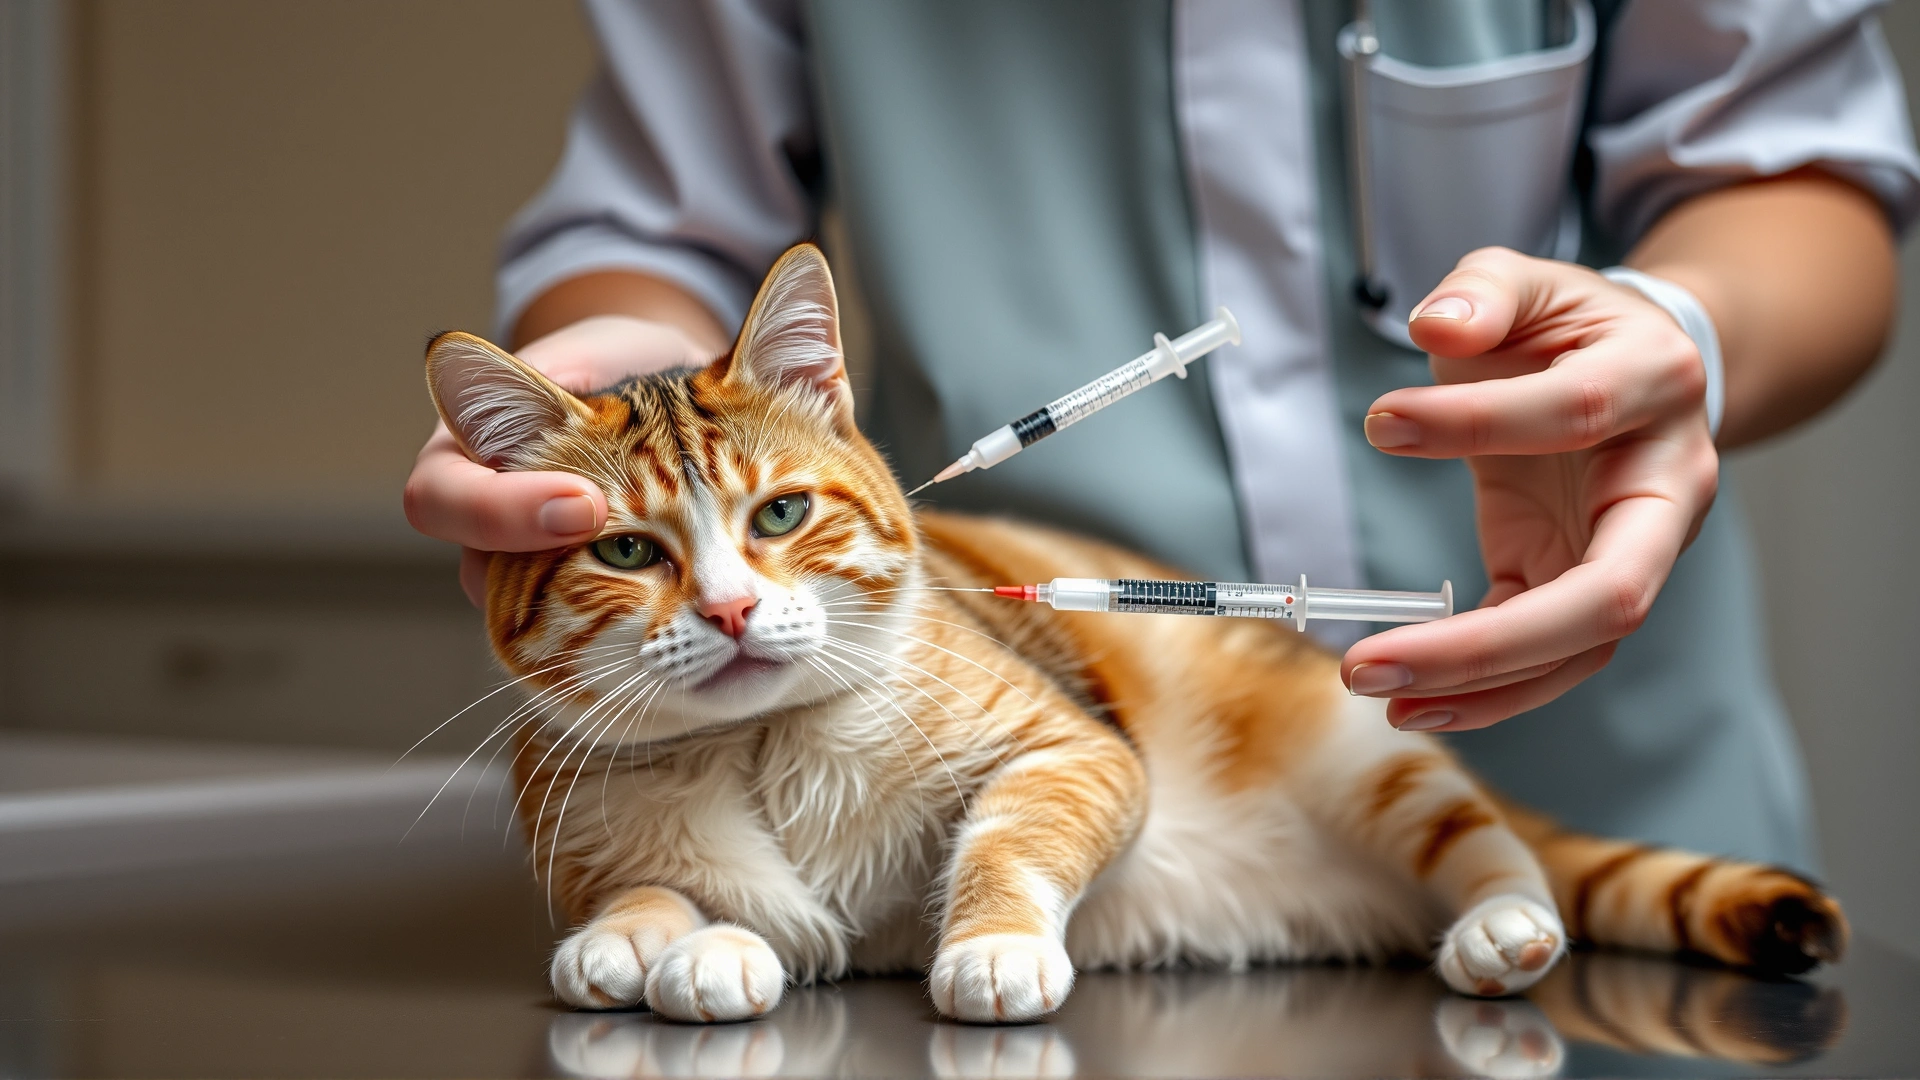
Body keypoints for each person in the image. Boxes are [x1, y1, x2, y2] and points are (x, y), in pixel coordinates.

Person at [404, 1, 1920, 870]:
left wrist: (1684, 334)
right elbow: (658, 224)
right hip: (1040, 854)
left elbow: (1804, 173)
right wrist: (592, 403)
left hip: (1597, 807)